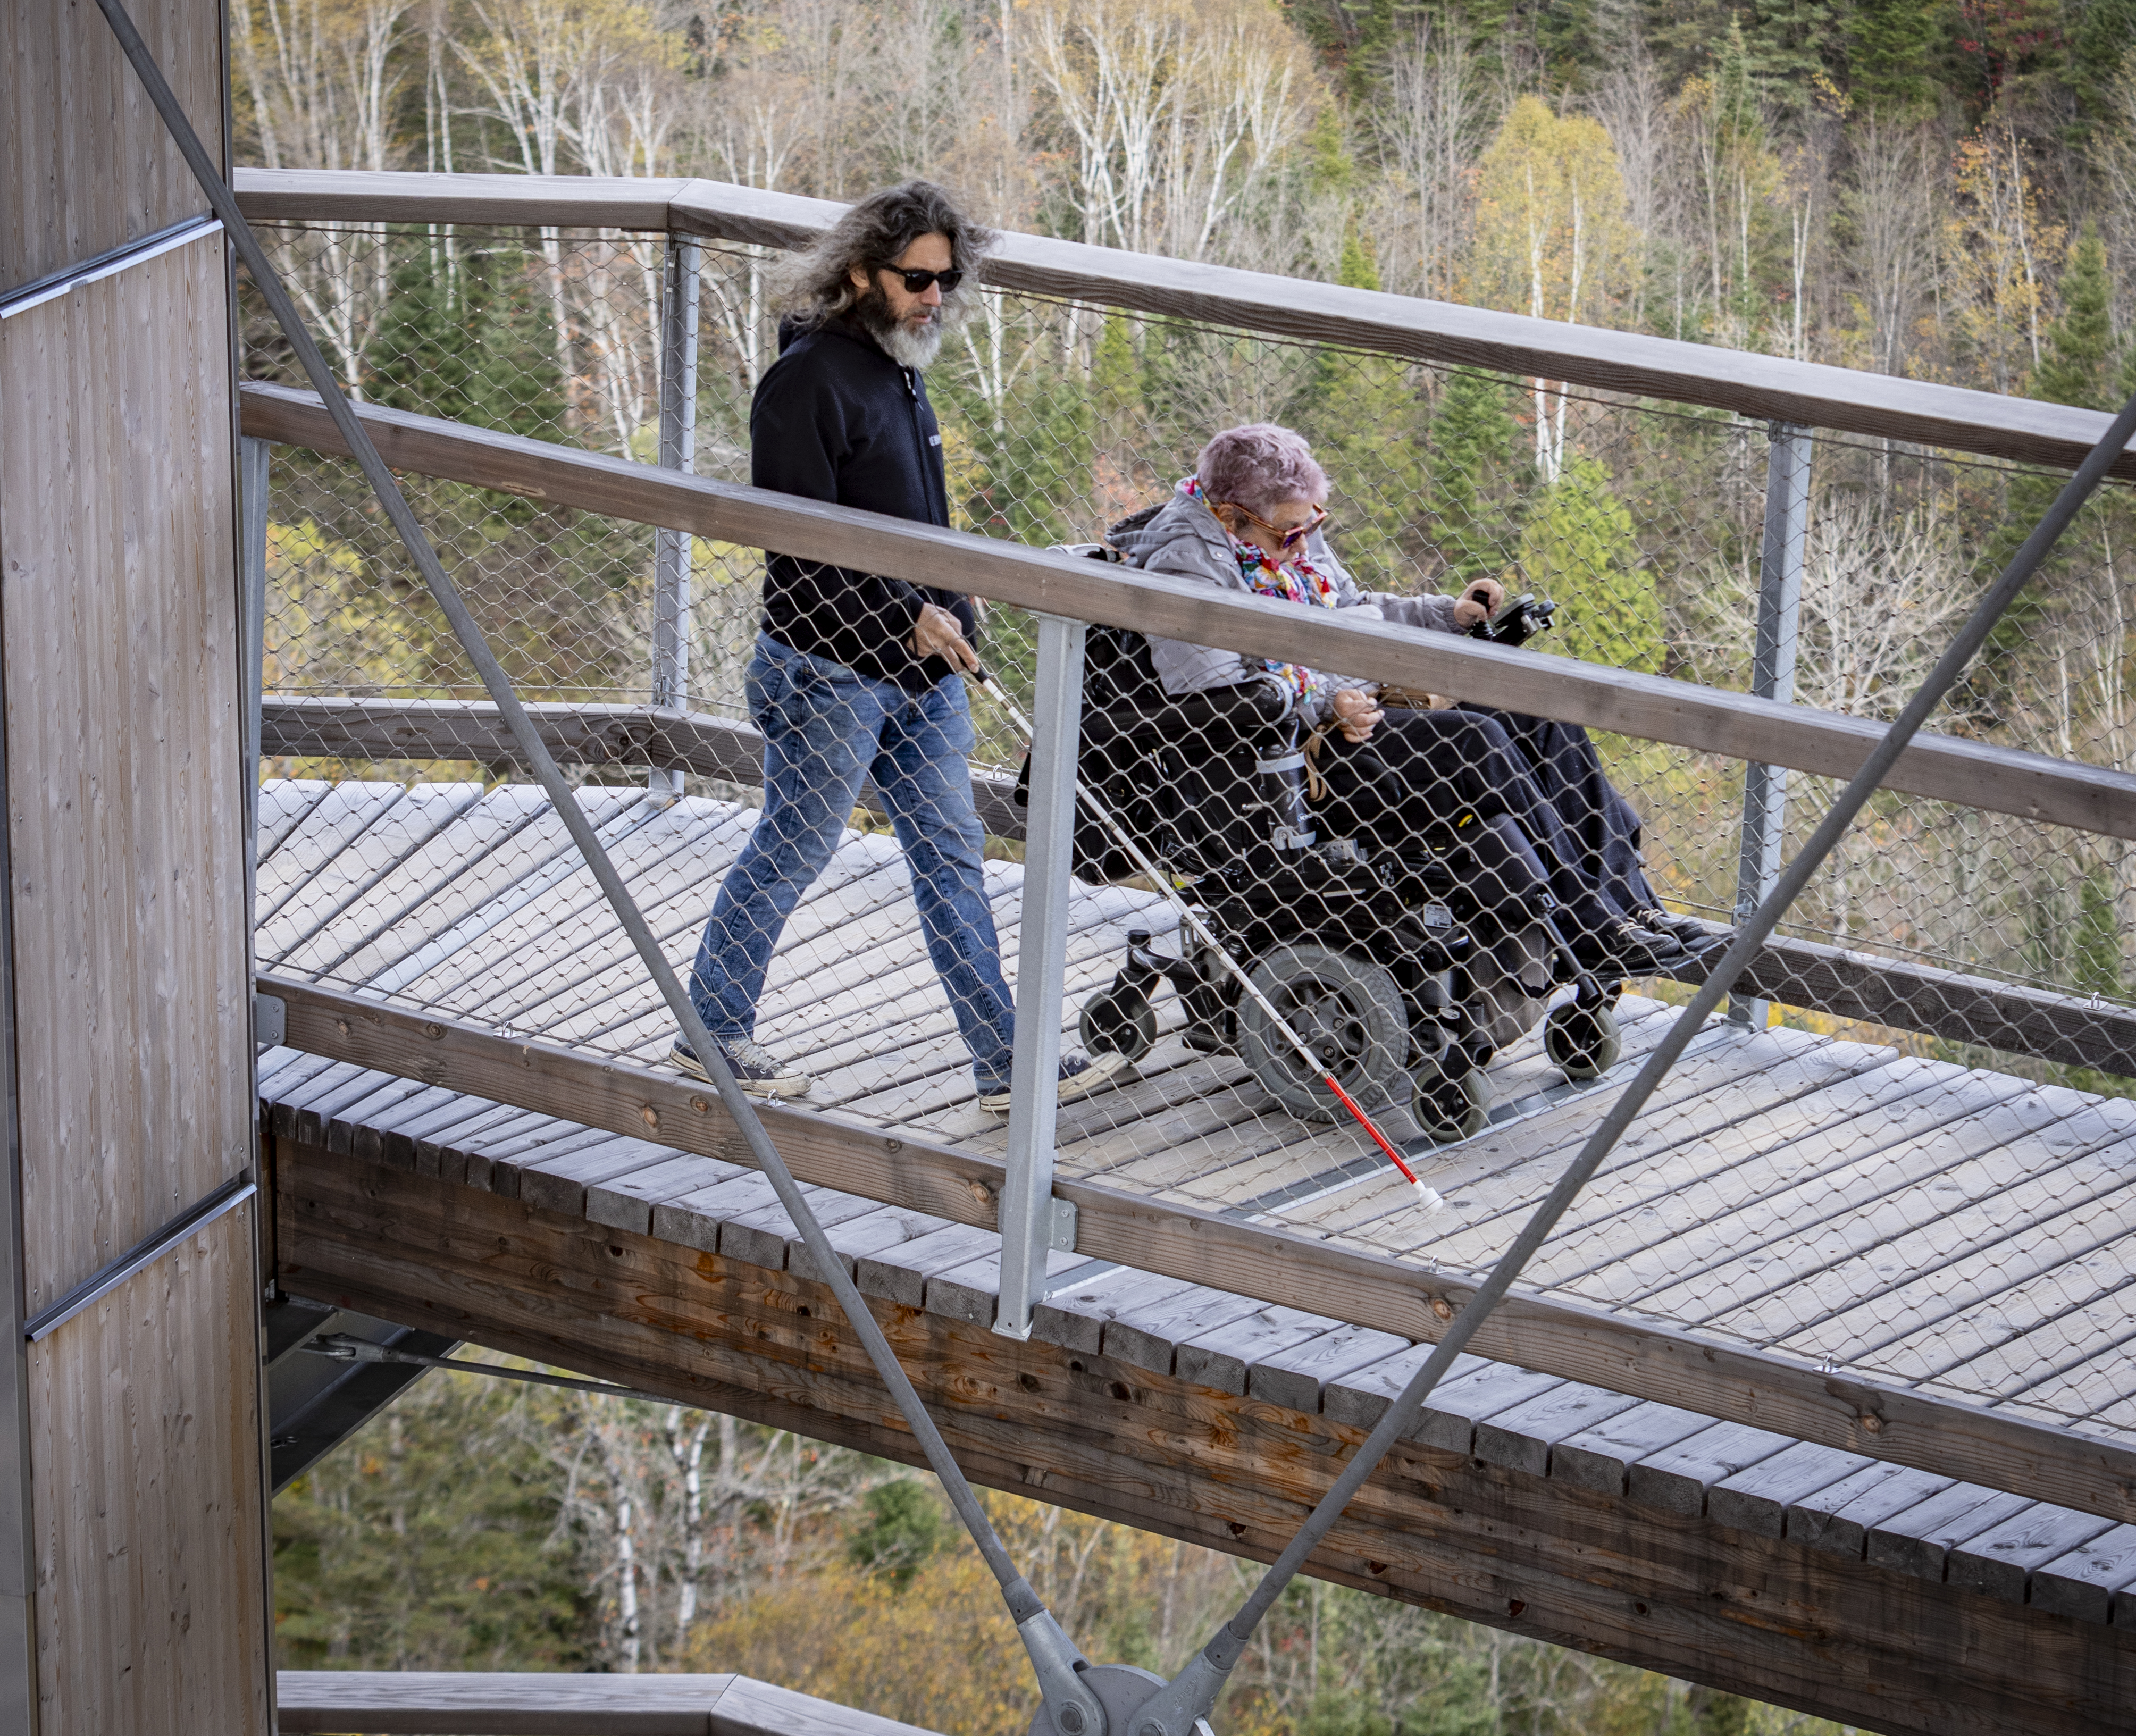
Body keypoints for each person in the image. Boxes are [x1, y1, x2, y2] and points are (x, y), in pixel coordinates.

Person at [682, 181, 1075, 1107]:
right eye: (917, 278)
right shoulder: (807, 381)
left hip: (919, 671)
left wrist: (948, 591)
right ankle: (712, 1027)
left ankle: (1003, 1064)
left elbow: (903, 518)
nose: (935, 296)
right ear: (860, 272)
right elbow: (803, 549)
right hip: (825, 670)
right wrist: (906, 611)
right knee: (795, 841)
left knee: (950, 846)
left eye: (947, 278)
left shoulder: (901, 364)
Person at [1111, 422, 1711, 990]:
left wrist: (1443, 616)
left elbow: (1352, 607)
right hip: (1284, 758)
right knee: (1475, 740)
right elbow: (1210, 689)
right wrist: (1324, 702)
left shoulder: (1286, 535)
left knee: (1538, 714)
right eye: (1287, 533)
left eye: (1309, 525)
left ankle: (1631, 911)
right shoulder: (1183, 560)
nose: (1300, 544)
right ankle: (1592, 929)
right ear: (1228, 514)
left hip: (1362, 710)